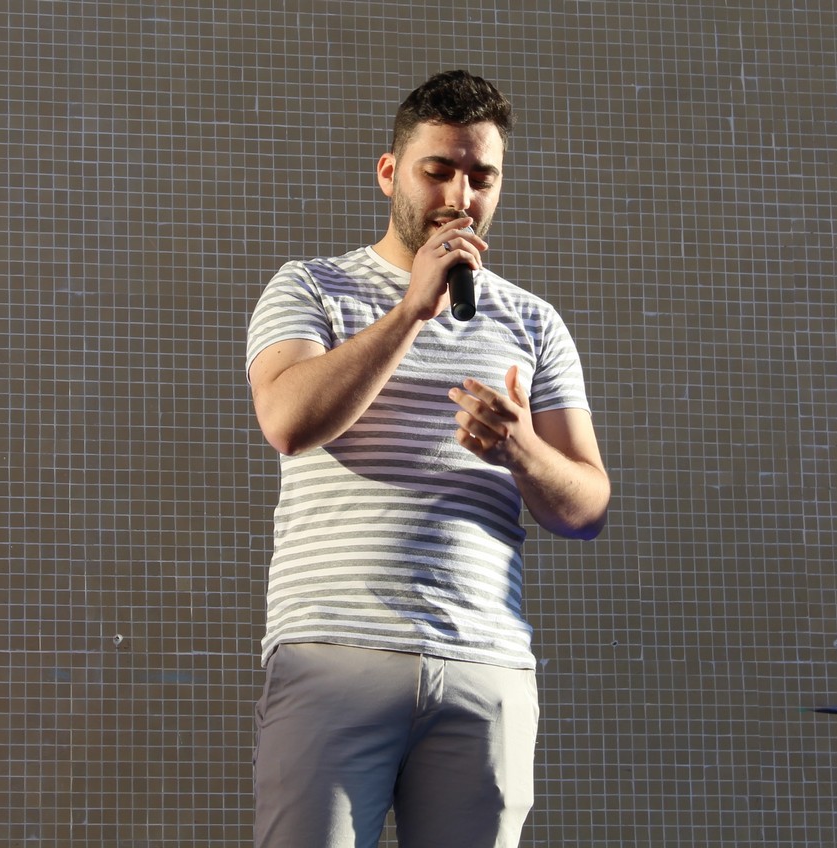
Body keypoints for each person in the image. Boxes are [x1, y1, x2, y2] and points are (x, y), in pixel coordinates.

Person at [244, 69, 611, 848]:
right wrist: (413, 309)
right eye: (437, 170)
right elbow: (288, 421)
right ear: (389, 172)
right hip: (334, 654)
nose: (459, 197)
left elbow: (586, 508)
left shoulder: (534, 322)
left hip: (484, 665)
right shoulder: (310, 287)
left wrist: (519, 448)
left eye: (482, 177)